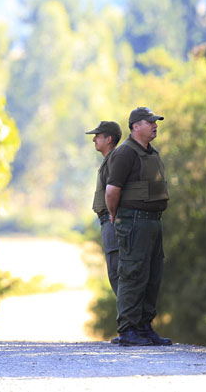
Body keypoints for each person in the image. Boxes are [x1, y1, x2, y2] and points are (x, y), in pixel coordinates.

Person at [105, 107, 171, 347]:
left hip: (153, 221)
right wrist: (115, 216)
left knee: (153, 275)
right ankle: (128, 329)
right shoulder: (125, 153)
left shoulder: (151, 153)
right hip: (134, 221)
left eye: (156, 122)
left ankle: (144, 327)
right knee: (132, 274)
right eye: (150, 122)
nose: (155, 125)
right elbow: (112, 191)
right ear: (135, 127)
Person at [86, 121, 122, 344]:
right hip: (109, 219)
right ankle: (129, 327)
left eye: (98, 136)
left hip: (112, 220)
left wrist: (112, 215)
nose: (94, 139)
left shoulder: (114, 160)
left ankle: (129, 328)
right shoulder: (110, 160)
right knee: (116, 272)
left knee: (117, 273)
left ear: (109, 139)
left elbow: (113, 192)